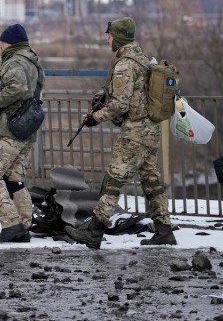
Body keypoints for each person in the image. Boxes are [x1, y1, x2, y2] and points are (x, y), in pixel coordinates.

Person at [65, 17, 176, 249]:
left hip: (135, 132)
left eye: (109, 35)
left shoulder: (125, 64)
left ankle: (94, 231)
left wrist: (95, 117)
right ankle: (164, 230)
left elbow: (121, 104)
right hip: (150, 129)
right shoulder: (142, 58)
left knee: (114, 181)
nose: (107, 40)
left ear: (118, 36)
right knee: (151, 180)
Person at [0, 23, 42, 243]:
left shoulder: (15, 61)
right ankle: (23, 226)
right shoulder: (32, 60)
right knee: (14, 179)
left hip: (9, 129)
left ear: (11, 42)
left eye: (3, 42)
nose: (0, 46)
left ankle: (11, 224)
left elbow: (17, 89)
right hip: (26, 129)